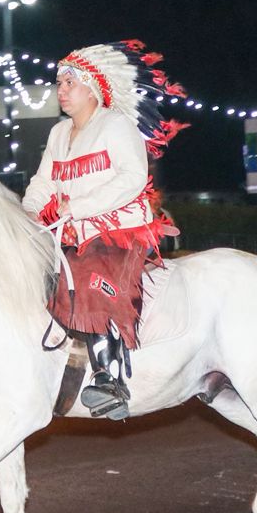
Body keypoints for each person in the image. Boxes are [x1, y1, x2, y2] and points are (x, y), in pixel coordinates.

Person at [22, 41, 187, 420]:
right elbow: (43, 181)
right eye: (58, 83)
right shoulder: (59, 134)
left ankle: (110, 380)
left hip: (119, 229)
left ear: (93, 87)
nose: (60, 90)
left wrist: (78, 208)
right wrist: (28, 213)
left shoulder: (116, 126)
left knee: (90, 276)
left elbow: (133, 178)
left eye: (68, 83)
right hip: (69, 230)